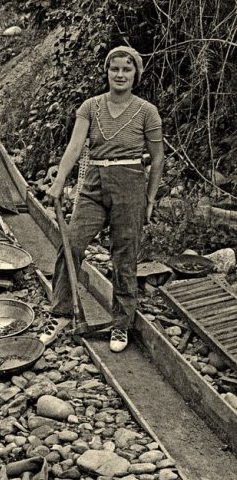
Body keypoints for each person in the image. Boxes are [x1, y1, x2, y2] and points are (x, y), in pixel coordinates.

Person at [42, 46, 165, 352]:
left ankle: (121, 323)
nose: (120, 74)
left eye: (126, 69)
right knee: (72, 244)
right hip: (94, 183)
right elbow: (74, 147)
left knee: (125, 255)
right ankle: (60, 313)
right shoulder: (91, 107)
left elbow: (158, 158)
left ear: (135, 74)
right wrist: (59, 182)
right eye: (114, 69)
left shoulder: (147, 111)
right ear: (107, 72)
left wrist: (150, 198)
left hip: (130, 183)